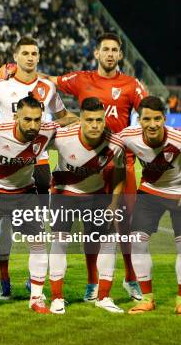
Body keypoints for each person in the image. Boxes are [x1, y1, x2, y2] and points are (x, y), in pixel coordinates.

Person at [0, 32, 146, 302]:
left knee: (125, 225)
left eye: (115, 49)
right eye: (106, 49)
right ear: (97, 54)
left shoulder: (131, 85)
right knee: (93, 228)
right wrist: (14, 69)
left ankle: (131, 278)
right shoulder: (81, 79)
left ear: (121, 55)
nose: (111, 54)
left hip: (120, 163)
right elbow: (47, 80)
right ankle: (92, 284)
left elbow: (147, 113)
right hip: (86, 164)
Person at [0, 36, 77, 300]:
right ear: (15, 57)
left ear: (38, 57)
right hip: (6, 162)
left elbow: (63, 118)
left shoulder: (47, 88)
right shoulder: (0, 88)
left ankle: (32, 280)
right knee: (3, 226)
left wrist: (83, 123)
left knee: (36, 227)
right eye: (25, 53)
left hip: (39, 165)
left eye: (34, 53)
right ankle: (4, 280)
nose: (30, 57)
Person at [120, 96, 181, 317]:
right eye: (146, 119)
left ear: (164, 119)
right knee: (137, 243)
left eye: (157, 119)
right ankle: (147, 299)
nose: (152, 124)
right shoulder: (128, 136)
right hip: (149, 192)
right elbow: (108, 144)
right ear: (139, 120)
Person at [0, 94, 57, 315]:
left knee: (38, 241)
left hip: (23, 194)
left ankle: (36, 297)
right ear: (16, 116)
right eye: (27, 119)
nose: (33, 125)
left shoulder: (45, 132)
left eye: (37, 120)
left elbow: (72, 128)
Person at [47, 97, 126, 314]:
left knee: (109, 241)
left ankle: (104, 297)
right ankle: (56, 298)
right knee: (59, 242)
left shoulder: (116, 144)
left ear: (104, 120)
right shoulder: (62, 137)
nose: (94, 125)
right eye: (89, 120)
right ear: (80, 119)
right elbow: (35, 146)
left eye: (99, 120)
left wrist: (114, 202)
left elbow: (120, 172)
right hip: (65, 194)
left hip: (97, 196)